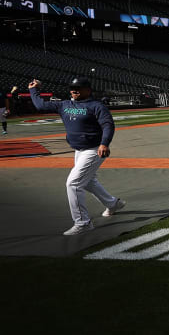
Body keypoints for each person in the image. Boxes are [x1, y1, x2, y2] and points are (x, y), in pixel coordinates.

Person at [29, 77, 125, 235]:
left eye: (78, 88)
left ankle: (83, 222)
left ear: (88, 90)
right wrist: (33, 89)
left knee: (73, 184)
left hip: (94, 150)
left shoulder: (96, 106)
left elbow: (108, 125)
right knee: (87, 182)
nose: (74, 90)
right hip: (78, 150)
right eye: (72, 88)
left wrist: (104, 143)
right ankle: (113, 204)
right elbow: (40, 105)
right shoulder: (64, 104)